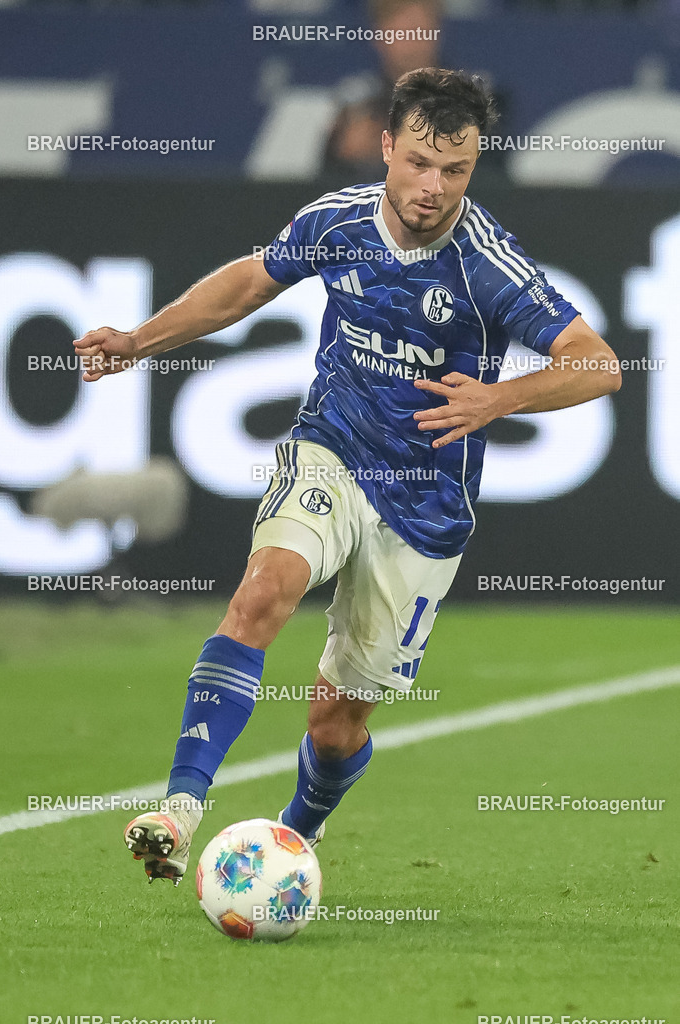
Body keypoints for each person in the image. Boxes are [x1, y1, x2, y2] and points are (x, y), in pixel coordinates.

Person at [74, 67, 621, 886]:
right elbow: (252, 280)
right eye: (419, 165)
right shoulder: (338, 221)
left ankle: (296, 837)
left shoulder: (486, 265)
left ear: (473, 167)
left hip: (426, 505)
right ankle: (180, 809)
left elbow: (599, 365)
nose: (433, 188)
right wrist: (141, 340)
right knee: (265, 590)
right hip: (332, 447)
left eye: (456, 171)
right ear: (387, 146)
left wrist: (498, 399)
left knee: (335, 723)